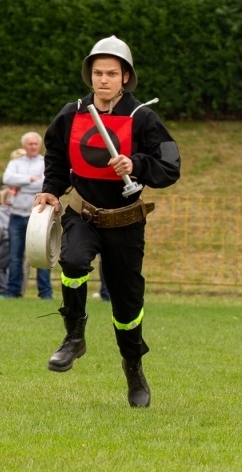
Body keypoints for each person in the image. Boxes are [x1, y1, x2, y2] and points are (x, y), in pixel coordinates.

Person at [35, 35, 181, 408]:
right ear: (90, 75)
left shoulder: (143, 118)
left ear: (125, 77)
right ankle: (74, 336)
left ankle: (133, 367)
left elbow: (170, 166)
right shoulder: (71, 113)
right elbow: (56, 156)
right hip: (83, 214)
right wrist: (51, 190)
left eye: (111, 73)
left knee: (127, 307)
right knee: (72, 261)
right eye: (98, 73)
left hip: (126, 223)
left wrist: (137, 164)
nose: (103, 80)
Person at [2, 131, 52, 299]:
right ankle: (13, 291)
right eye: (30, 144)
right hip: (16, 215)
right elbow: (7, 178)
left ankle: (45, 292)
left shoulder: (45, 162)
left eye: (36, 144)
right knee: (15, 256)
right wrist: (30, 179)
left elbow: (44, 183)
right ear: (24, 145)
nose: (33, 146)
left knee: (41, 254)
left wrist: (21, 183)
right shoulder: (15, 162)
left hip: (38, 216)